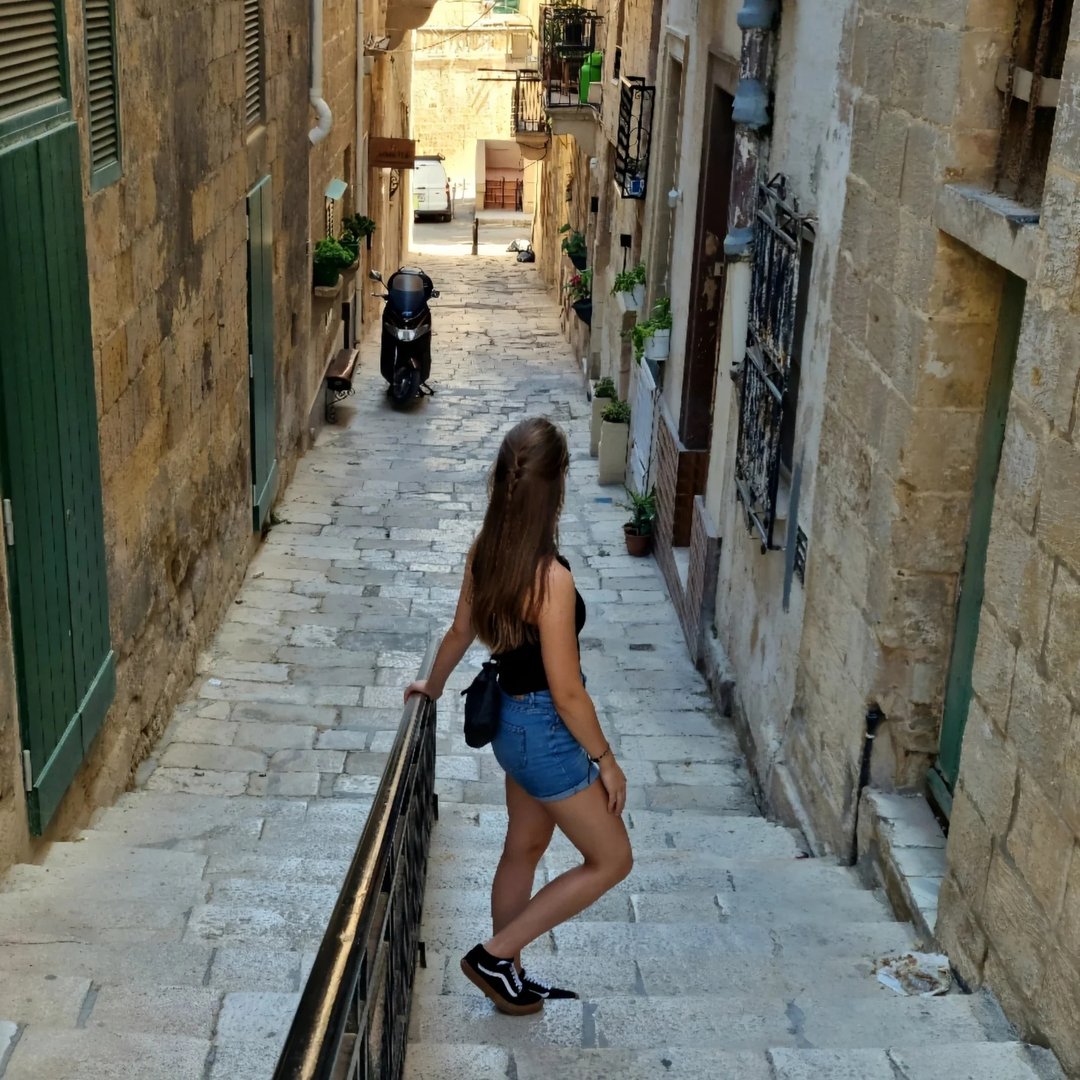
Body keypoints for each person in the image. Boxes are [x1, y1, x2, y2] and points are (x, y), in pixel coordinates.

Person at [405, 417, 632, 1015]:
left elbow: (460, 631)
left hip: (510, 723)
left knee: (524, 847)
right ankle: (495, 956)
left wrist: (432, 686)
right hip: (545, 734)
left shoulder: (486, 550)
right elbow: (568, 693)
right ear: (556, 485)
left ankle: (507, 977)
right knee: (613, 859)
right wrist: (607, 762)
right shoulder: (550, 579)